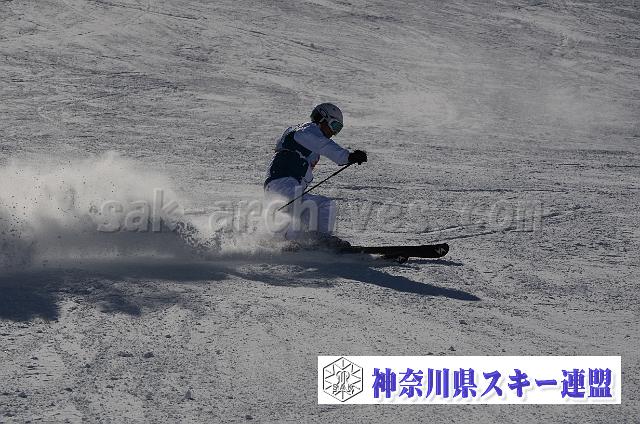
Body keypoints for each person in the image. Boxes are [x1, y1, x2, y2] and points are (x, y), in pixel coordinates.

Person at [264, 103, 367, 246]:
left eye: (338, 129)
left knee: (314, 213)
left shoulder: (309, 138)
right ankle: (316, 244)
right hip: (283, 183)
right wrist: (347, 157)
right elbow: (323, 145)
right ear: (323, 118)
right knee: (321, 207)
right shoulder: (307, 131)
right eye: (335, 126)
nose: (334, 132)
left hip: (285, 186)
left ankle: (306, 244)